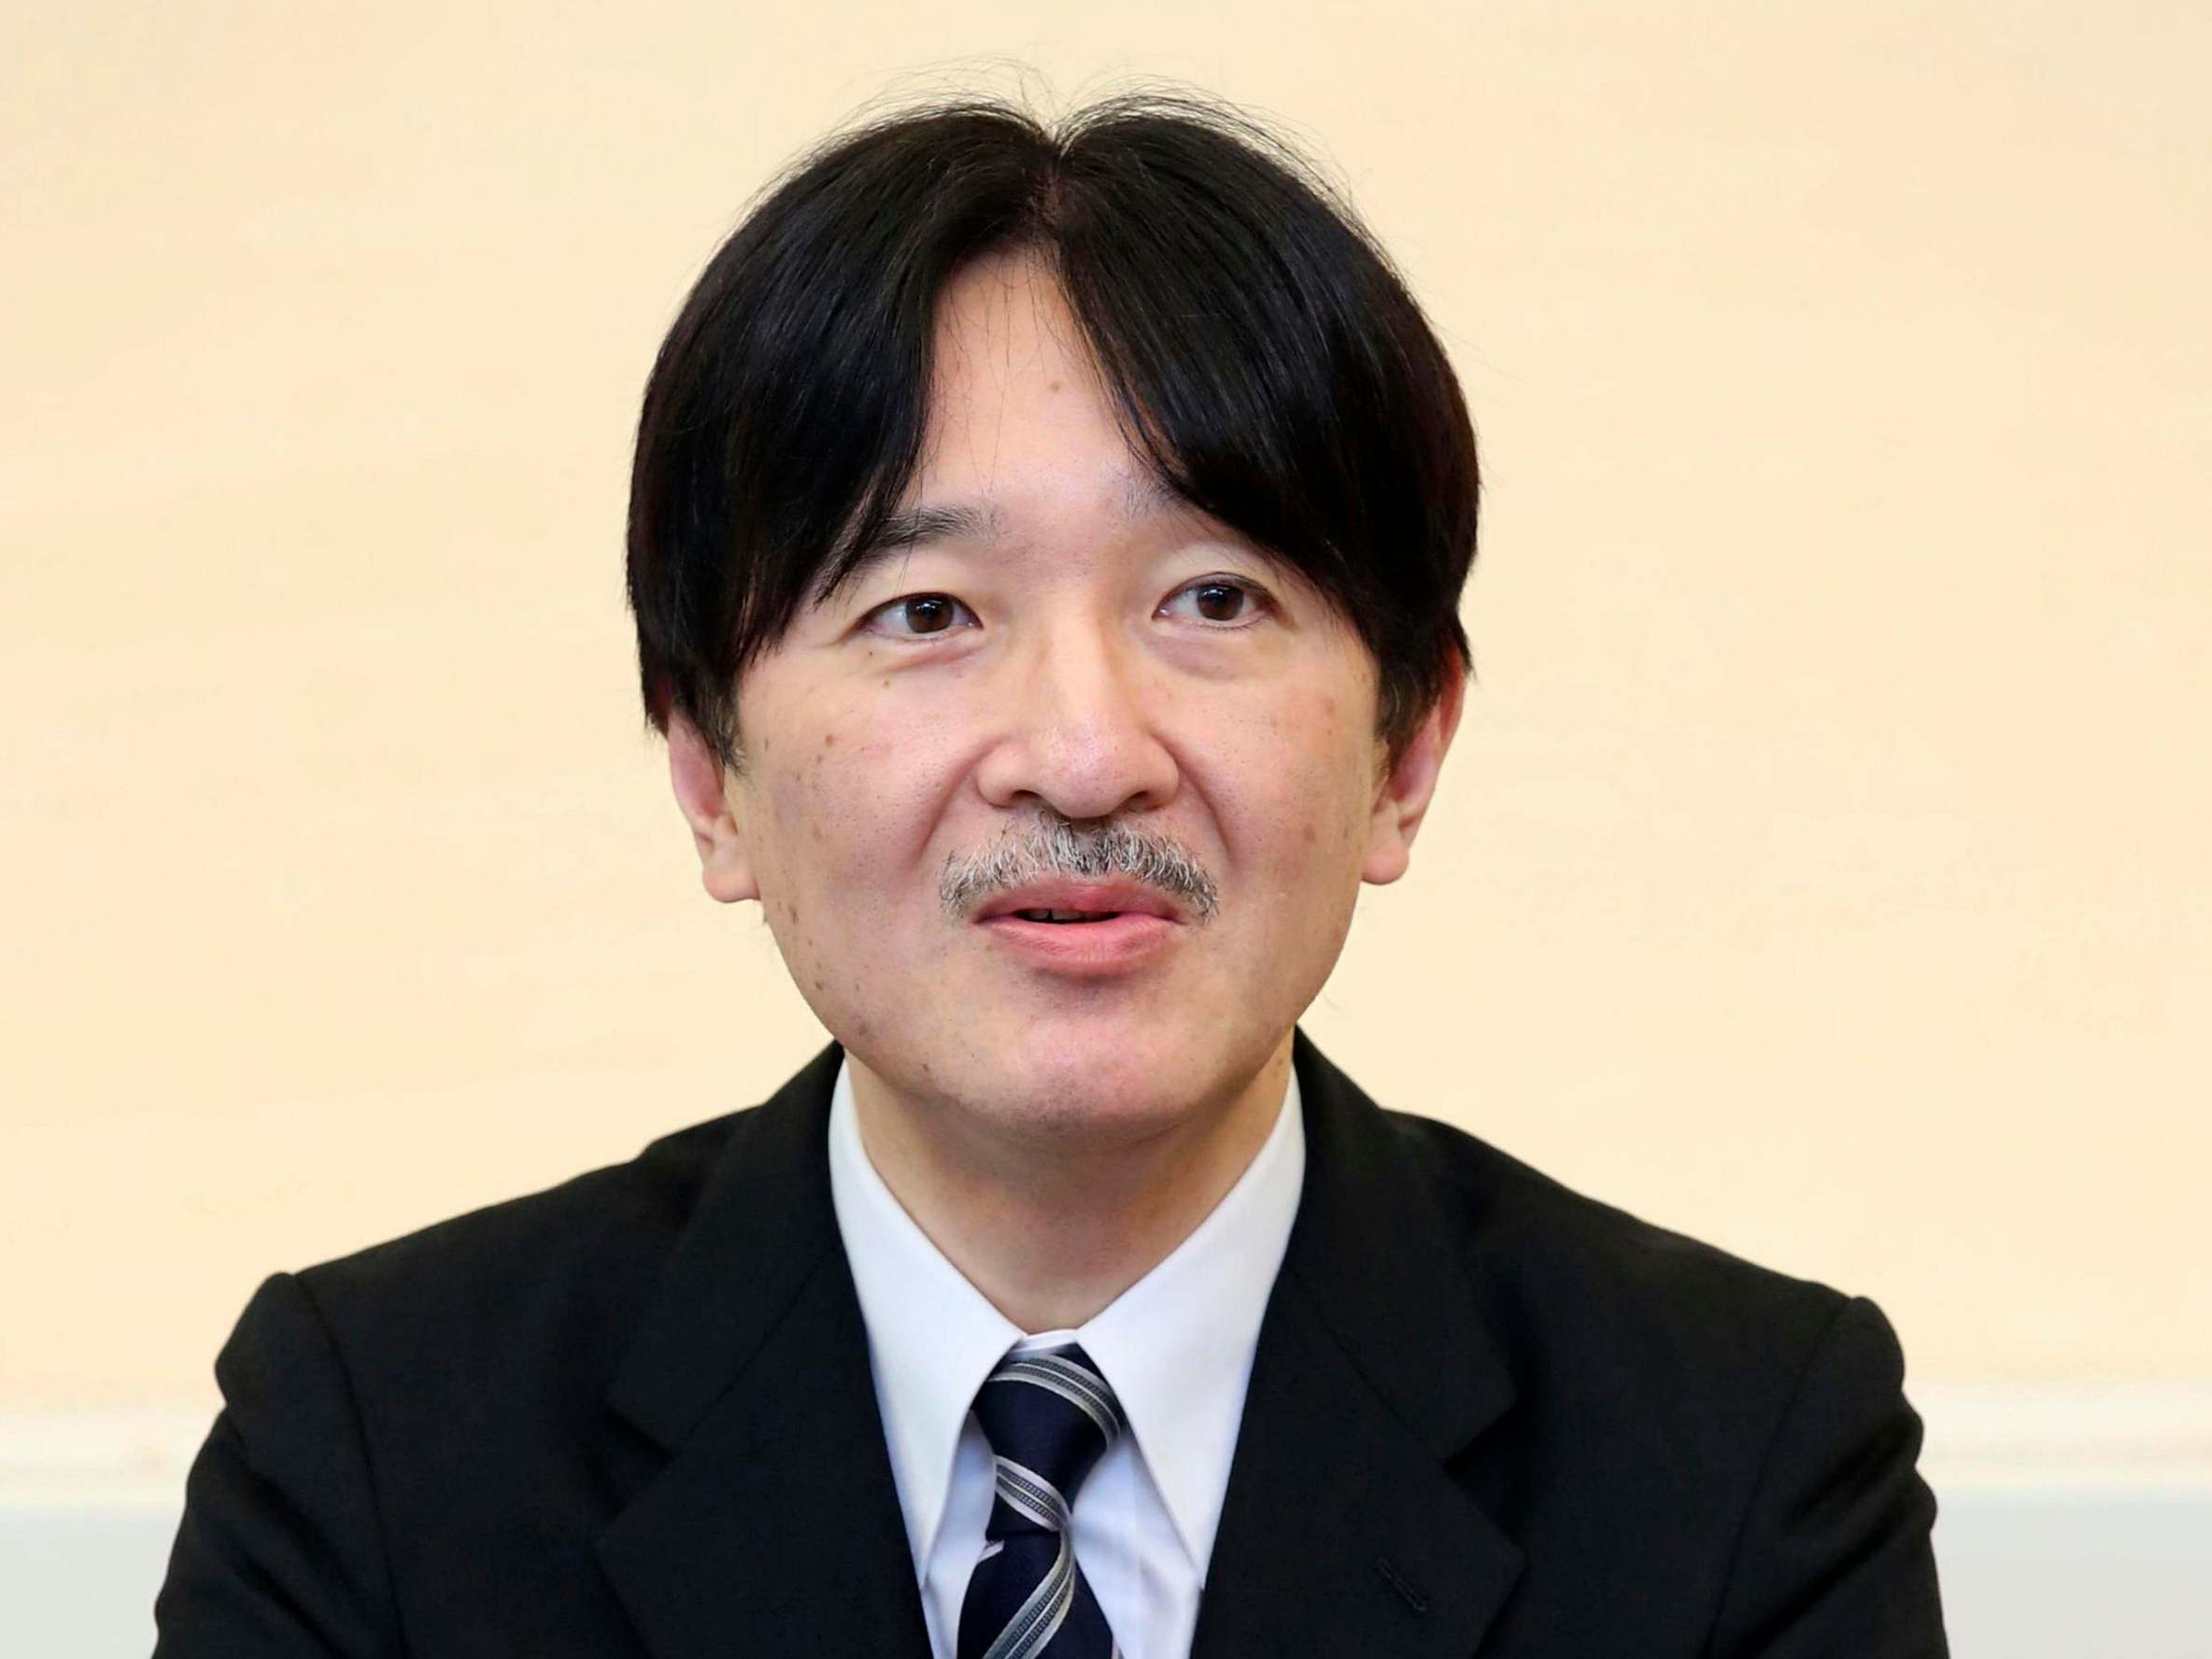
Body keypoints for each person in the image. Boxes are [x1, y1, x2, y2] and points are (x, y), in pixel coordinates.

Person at [152, 92, 1949, 1657]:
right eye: (927, 612)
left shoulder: (1743, 1464)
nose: (1085, 754)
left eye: (1213, 600)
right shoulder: (380, 1453)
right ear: (707, 773)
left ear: (1408, 750)